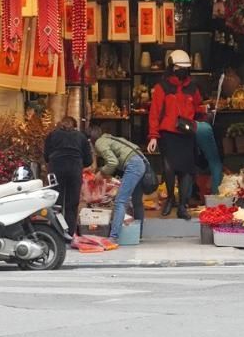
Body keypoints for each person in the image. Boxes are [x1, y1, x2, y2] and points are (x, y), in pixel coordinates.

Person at [147, 49, 206, 220]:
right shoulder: (162, 87)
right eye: (179, 68)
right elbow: (155, 112)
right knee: (169, 168)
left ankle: (182, 205)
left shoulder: (192, 88)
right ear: (172, 67)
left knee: (186, 170)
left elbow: (198, 107)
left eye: (185, 68)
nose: (182, 71)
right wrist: (153, 135)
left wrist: (203, 111)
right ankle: (170, 198)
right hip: (168, 134)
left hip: (186, 133)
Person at [94, 130, 151, 250]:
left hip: (133, 165)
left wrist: (101, 172)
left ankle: (113, 237)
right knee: (137, 201)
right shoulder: (111, 138)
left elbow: (112, 162)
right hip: (141, 163)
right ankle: (138, 235)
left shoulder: (100, 142)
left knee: (120, 201)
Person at [43, 116, 92, 238]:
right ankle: (69, 234)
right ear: (75, 126)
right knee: (72, 204)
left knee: (56, 202)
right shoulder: (81, 137)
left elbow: (46, 156)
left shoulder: (52, 135)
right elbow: (88, 160)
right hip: (74, 170)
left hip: (56, 169)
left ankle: (56, 232)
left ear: (60, 124)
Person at [196, 120, 224, 195]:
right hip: (200, 125)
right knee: (215, 163)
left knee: (185, 167)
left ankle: (186, 197)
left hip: (181, 126)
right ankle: (216, 194)